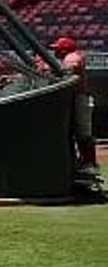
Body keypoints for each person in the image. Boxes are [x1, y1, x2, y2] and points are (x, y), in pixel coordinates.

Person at [51, 36, 97, 169]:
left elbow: (74, 65)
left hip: (80, 98)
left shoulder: (72, 56)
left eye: (58, 49)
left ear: (65, 50)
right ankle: (79, 162)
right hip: (73, 97)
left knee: (83, 131)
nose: (55, 52)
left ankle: (89, 163)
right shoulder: (65, 58)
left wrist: (59, 72)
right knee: (72, 132)